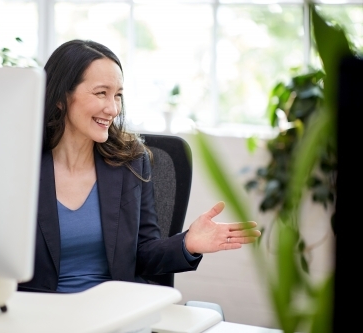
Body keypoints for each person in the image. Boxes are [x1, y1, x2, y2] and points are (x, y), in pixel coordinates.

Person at [17, 39, 261, 293]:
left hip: (115, 310)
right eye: (101, 93)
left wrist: (187, 244)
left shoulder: (129, 162)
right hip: (37, 312)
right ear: (61, 97)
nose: (113, 109)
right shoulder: (19, 164)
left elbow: (143, 253)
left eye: (118, 95)